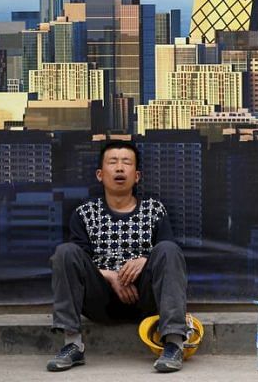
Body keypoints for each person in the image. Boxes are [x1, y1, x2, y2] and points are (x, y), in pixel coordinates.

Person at [47, 140, 188, 373]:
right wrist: (111, 276)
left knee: (168, 250)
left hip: (146, 299)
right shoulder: (84, 213)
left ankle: (173, 344)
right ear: (100, 174)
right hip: (99, 299)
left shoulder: (154, 210)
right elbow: (77, 263)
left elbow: (167, 256)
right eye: (113, 162)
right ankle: (72, 344)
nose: (120, 168)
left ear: (137, 175)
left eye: (127, 163)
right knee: (65, 252)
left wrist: (145, 261)